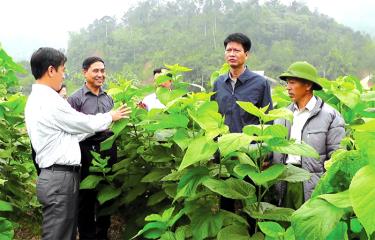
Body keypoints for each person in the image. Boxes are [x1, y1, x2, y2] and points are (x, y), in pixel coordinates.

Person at [24, 47, 131, 240]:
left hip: (59, 175)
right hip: (59, 177)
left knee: (65, 231)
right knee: (58, 233)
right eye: (62, 69)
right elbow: (82, 122)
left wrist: (103, 126)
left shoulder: (38, 99)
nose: (63, 75)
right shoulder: (51, 101)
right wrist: (110, 117)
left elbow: (69, 134)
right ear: (51, 70)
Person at [273, 61, 345, 209]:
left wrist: (325, 188)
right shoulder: (283, 115)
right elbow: (272, 147)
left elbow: (336, 157)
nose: (288, 87)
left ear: (308, 85)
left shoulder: (330, 116)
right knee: (283, 227)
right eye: (287, 83)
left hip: (310, 184)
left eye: (292, 82)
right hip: (284, 182)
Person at [68, 56, 116, 240]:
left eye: (102, 71)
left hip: (107, 148)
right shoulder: (75, 99)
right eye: (96, 71)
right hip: (85, 150)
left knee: (106, 192)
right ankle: (87, 235)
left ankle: (103, 233)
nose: (100, 74)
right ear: (84, 72)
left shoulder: (108, 98)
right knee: (86, 196)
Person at [211, 33, 273, 133]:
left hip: (249, 146)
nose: (231, 54)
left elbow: (268, 119)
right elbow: (213, 115)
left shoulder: (260, 83)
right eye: (228, 50)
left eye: (236, 51)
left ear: (246, 54)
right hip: (222, 144)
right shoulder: (218, 83)